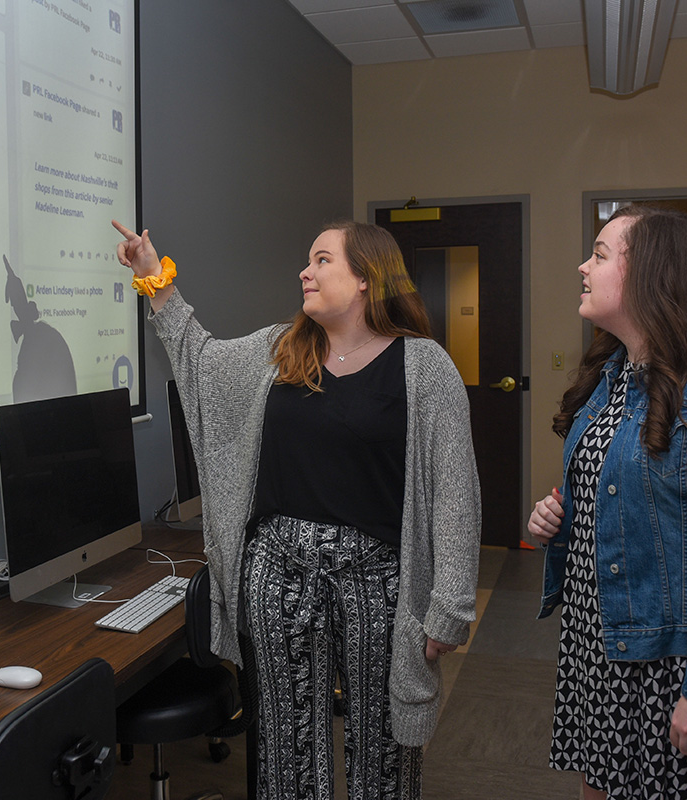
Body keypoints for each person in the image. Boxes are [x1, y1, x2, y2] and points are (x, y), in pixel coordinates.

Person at [112, 218, 481, 800]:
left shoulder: (424, 368)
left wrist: (450, 609)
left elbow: (456, 492)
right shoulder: (277, 351)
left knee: (384, 750)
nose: (304, 272)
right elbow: (198, 361)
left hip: (379, 583)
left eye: (322, 260)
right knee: (284, 746)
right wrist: (154, 279)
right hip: (278, 575)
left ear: (366, 278)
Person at [528, 205, 687, 799]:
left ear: (651, 274)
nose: (583, 266)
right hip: (597, 641)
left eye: (601, 254)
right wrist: (558, 512)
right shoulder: (612, 372)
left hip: (669, 661)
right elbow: (627, 490)